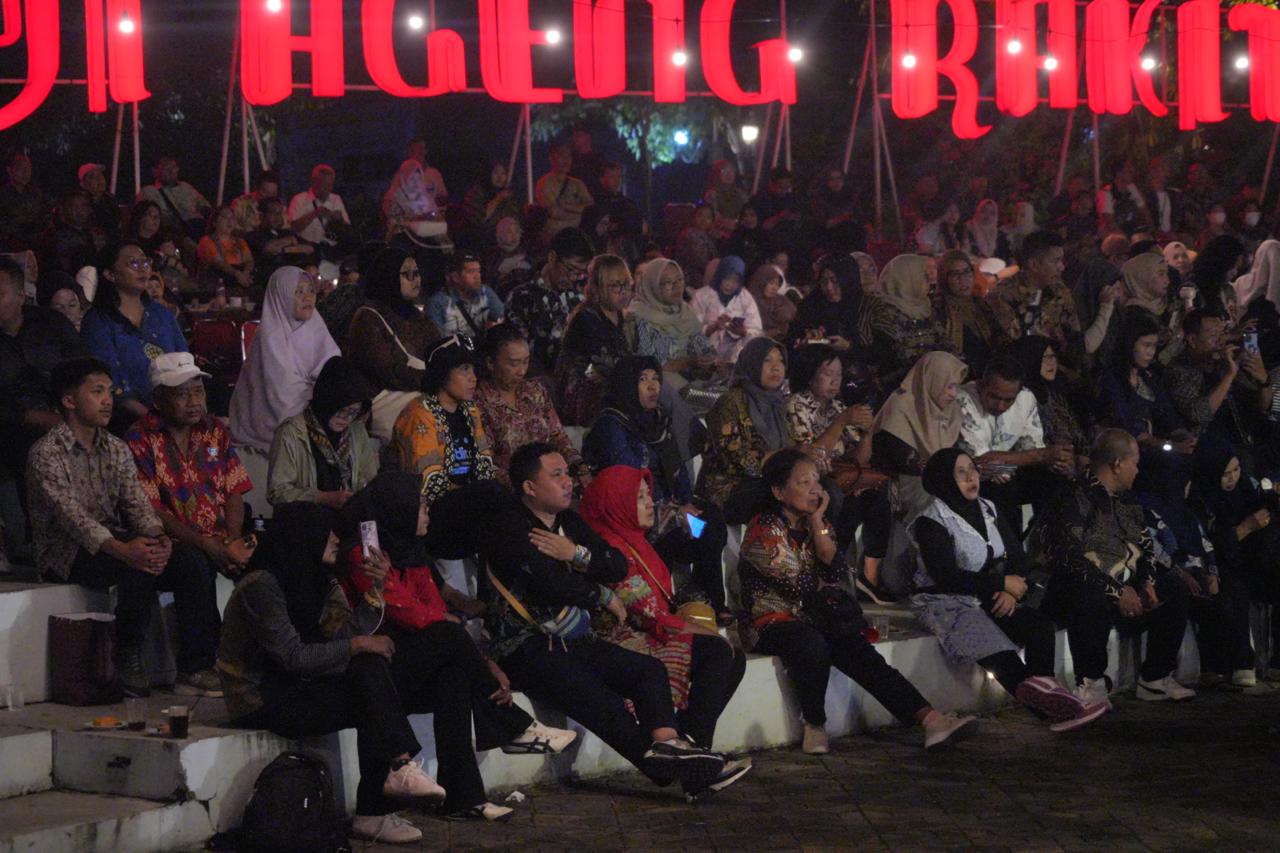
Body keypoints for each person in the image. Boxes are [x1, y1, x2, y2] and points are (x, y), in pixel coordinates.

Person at [478, 442, 744, 801]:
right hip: (525, 645)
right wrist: (601, 595)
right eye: (556, 475)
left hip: (573, 636)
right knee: (602, 702)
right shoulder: (508, 527)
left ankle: (671, 749)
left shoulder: (568, 522)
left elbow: (614, 564)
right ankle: (682, 769)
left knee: (648, 671)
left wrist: (575, 553)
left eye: (567, 473)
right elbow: (548, 582)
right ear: (529, 487)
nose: (568, 481)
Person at [338, 472, 576, 820]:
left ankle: (464, 799)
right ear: (398, 509)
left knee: (454, 677)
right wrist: (449, 627)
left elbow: (431, 609)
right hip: (372, 666)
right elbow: (404, 612)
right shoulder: (364, 554)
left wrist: (480, 660)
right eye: (420, 505)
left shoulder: (411, 550)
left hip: (409, 657)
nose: (427, 512)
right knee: (448, 635)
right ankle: (512, 727)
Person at [217, 503, 447, 844]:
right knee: (369, 683)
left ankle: (393, 779)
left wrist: (376, 591)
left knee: (369, 674)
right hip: (260, 698)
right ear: (305, 535)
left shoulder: (319, 579)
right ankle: (383, 795)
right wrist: (358, 645)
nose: (337, 540)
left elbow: (342, 636)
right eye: (329, 533)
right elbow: (293, 656)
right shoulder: (261, 585)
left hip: (298, 686)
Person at [739, 448, 977, 753]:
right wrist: (822, 574)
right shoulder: (763, 529)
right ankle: (814, 725)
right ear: (778, 491)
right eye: (804, 482)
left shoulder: (817, 523)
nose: (815, 489)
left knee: (855, 647)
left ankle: (931, 720)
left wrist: (817, 521)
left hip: (813, 616)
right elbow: (797, 584)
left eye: (816, 481)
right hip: (769, 622)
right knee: (812, 643)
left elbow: (835, 570)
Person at [28, 358, 221, 698]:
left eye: (109, 392)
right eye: (97, 392)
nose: (108, 401)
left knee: (190, 560)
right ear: (69, 400)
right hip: (66, 552)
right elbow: (74, 520)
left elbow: (137, 503)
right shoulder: (47, 453)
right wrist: (126, 549)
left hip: (115, 540)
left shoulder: (115, 447)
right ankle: (127, 655)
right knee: (136, 561)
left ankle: (196, 667)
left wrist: (159, 537)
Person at [911, 448, 1107, 730]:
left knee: (1038, 627)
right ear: (944, 479)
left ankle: (1054, 703)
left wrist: (1009, 589)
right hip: (947, 601)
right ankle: (1056, 710)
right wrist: (1001, 583)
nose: (971, 477)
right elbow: (946, 576)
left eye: (973, 469)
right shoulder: (931, 521)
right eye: (961, 472)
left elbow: (1016, 557)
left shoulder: (988, 509)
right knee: (999, 651)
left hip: (987, 593)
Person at [582, 466, 748, 750]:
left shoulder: (636, 539)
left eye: (648, 494)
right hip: (622, 639)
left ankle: (691, 745)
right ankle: (697, 751)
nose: (650, 503)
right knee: (718, 651)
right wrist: (707, 633)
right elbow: (648, 615)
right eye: (639, 498)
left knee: (733, 657)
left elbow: (700, 534)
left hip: (650, 627)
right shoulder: (610, 550)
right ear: (616, 503)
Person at [124, 352, 256, 697]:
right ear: (158, 399)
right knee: (195, 563)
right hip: (174, 542)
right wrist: (208, 545)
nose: (194, 401)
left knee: (277, 552)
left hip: (219, 535)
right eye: (182, 394)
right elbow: (152, 512)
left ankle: (268, 658)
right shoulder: (139, 439)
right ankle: (195, 668)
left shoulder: (215, 430)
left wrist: (232, 540)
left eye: (198, 391)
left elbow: (235, 488)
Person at [1032, 430, 1195, 705]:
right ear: (1117, 464)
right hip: (1078, 588)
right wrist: (1117, 590)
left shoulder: (1127, 501)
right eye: (1135, 462)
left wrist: (1146, 581)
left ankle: (1155, 678)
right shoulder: (1073, 496)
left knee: (1173, 588)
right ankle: (1091, 681)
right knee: (1089, 594)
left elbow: (1144, 546)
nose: (1138, 470)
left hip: (1124, 584)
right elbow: (1067, 555)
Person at [584, 356, 730, 618]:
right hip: (633, 513)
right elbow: (629, 481)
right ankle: (665, 604)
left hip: (670, 511)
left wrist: (686, 502)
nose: (653, 386)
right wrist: (673, 510)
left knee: (709, 520)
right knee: (684, 532)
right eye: (643, 380)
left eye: (656, 379)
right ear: (628, 384)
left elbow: (677, 467)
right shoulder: (611, 425)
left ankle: (706, 599)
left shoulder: (659, 419)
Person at [867, 351, 969, 600]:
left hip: (937, 479)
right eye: (949, 386)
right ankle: (923, 574)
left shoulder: (952, 411)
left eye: (956, 387)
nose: (953, 394)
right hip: (900, 482)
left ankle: (956, 571)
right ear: (932, 380)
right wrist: (941, 472)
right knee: (933, 496)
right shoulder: (902, 404)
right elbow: (899, 458)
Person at [785, 342, 889, 565]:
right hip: (810, 476)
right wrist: (841, 422)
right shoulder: (797, 404)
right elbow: (810, 458)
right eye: (827, 373)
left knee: (876, 497)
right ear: (810, 375)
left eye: (839, 374)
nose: (835, 380)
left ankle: (870, 572)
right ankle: (828, 560)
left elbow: (859, 460)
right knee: (835, 495)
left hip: (840, 475)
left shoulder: (837, 406)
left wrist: (868, 433)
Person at [1190, 439, 1279, 684]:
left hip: (1252, 560)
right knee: (1234, 590)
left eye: (1236, 470)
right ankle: (1240, 663)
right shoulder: (1201, 497)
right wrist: (1245, 528)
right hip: (1219, 565)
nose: (1232, 478)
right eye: (1225, 474)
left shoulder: (1246, 489)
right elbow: (1207, 544)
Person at [956, 354, 1071, 534]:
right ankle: (1011, 546)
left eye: (1009, 400)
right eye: (994, 396)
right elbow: (981, 461)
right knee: (1001, 486)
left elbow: (1030, 449)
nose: (1001, 406)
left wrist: (1057, 460)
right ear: (981, 384)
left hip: (1008, 469)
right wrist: (1042, 455)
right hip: (974, 475)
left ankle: (1044, 538)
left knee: (1058, 478)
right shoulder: (963, 399)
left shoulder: (1026, 398)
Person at [80, 241, 188, 429]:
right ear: (110, 274)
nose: (143, 269)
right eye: (133, 263)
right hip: (125, 421)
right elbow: (109, 383)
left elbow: (185, 364)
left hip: (174, 412)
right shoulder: (98, 321)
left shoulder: (161, 314)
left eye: (145, 262)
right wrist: (156, 421)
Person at [229, 265, 338, 448]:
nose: (308, 297)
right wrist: (324, 397)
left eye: (311, 290)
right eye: (299, 291)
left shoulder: (316, 327)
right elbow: (283, 399)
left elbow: (337, 374)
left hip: (316, 417)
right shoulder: (271, 337)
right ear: (281, 297)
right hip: (273, 430)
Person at [346, 246, 443, 439]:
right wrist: (436, 378)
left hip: (421, 406)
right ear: (388, 276)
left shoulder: (420, 318)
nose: (416, 280)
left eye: (417, 273)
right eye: (408, 274)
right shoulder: (368, 318)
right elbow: (390, 371)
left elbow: (439, 355)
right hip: (386, 415)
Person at [390, 335, 496, 505]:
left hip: (469, 499)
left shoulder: (470, 410)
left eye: (473, 369)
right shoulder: (419, 414)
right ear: (442, 373)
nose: (473, 378)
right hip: (432, 508)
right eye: (464, 369)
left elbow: (484, 464)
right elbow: (427, 483)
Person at [474, 323, 584, 483]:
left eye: (525, 362)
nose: (521, 371)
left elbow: (558, 435)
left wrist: (578, 465)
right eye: (514, 364)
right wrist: (529, 487)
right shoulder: (479, 404)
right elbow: (486, 464)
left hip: (554, 480)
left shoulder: (535, 391)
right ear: (490, 363)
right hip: (514, 489)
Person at [695, 337, 790, 521]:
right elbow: (736, 460)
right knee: (780, 493)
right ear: (752, 364)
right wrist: (782, 457)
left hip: (768, 481)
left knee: (819, 490)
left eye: (781, 361)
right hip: (727, 489)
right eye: (767, 360)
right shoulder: (730, 402)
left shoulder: (780, 405)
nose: (776, 367)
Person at [267, 356, 379, 509]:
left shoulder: (356, 432)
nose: (346, 418)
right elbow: (277, 492)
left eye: (353, 412)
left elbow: (370, 480)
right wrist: (321, 498)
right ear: (327, 402)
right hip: (307, 520)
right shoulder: (292, 433)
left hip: (349, 517)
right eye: (341, 409)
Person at [556, 254, 636, 426]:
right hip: (585, 390)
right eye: (615, 285)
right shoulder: (586, 319)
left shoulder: (626, 318)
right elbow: (594, 365)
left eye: (627, 284)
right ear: (597, 289)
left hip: (618, 383)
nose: (623, 291)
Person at [987, 230, 1086, 367]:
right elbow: (1013, 348)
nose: (1062, 267)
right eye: (1055, 261)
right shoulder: (1003, 295)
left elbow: (1074, 334)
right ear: (1033, 265)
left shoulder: (1058, 289)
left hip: (1061, 368)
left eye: (1061, 260)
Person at [504, 227, 592, 373]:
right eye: (570, 269)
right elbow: (516, 352)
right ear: (552, 257)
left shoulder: (579, 299)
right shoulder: (522, 297)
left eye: (580, 273)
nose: (573, 278)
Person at [1007, 336, 1090, 472]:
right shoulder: (1020, 399)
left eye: (1053, 356)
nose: (1051, 362)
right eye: (1045, 357)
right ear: (1031, 358)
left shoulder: (1053, 394)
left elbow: (1076, 432)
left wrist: (1082, 457)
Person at [629, 258, 717, 381]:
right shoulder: (639, 317)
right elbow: (653, 366)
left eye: (680, 279)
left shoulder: (685, 311)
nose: (677, 286)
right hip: (660, 385)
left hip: (694, 378)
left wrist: (709, 358)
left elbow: (702, 344)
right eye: (668, 282)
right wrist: (690, 361)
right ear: (653, 285)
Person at [867, 253, 949, 384]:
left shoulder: (926, 308)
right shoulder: (885, 315)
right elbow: (887, 360)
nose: (929, 281)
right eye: (924, 277)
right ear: (906, 280)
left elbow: (944, 344)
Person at [937, 249, 1001, 375]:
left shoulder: (981, 305)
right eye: (955, 274)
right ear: (944, 278)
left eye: (967, 272)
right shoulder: (940, 311)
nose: (963, 279)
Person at [789, 254, 867, 353]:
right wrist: (807, 340)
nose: (829, 287)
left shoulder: (867, 306)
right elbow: (791, 343)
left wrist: (849, 346)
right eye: (823, 281)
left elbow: (879, 353)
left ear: (848, 280)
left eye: (835, 280)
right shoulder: (811, 305)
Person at [690, 255, 762, 363]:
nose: (730, 284)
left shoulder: (746, 298)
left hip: (734, 356)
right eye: (727, 278)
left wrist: (742, 331)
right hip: (703, 354)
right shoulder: (702, 295)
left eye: (735, 280)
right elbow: (690, 329)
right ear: (720, 274)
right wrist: (713, 327)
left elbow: (757, 330)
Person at [427, 253, 504, 338]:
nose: (477, 276)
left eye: (478, 271)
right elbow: (437, 338)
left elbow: (502, 318)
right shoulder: (438, 303)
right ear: (455, 277)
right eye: (471, 272)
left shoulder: (485, 292)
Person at [582, 162, 645, 263]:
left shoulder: (628, 203)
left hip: (627, 253)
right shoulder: (594, 204)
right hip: (602, 252)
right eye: (612, 176)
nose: (617, 181)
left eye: (619, 176)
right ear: (602, 179)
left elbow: (640, 227)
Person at [245, 197, 315, 287]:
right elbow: (267, 248)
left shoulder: (286, 233)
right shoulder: (254, 235)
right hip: (268, 282)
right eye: (274, 213)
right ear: (262, 215)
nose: (278, 216)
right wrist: (289, 241)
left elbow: (309, 248)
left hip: (293, 279)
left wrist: (284, 250)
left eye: (280, 213)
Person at [136, 156, 211, 239]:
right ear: (155, 171)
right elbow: (154, 220)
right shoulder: (149, 191)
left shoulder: (186, 187)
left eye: (174, 167)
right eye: (166, 168)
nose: (171, 171)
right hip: (174, 235)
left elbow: (204, 204)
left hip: (200, 229)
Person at [287, 164, 350, 260]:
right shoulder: (299, 199)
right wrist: (314, 213)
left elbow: (347, 229)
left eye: (330, 186)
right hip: (306, 252)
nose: (327, 190)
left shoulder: (336, 199)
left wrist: (339, 220)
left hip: (330, 252)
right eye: (323, 186)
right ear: (313, 182)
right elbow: (292, 228)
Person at [535, 144, 594, 241]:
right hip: (554, 237)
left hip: (577, 238)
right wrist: (579, 213)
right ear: (551, 158)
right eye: (562, 155)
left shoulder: (578, 184)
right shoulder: (544, 183)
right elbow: (554, 212)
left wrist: (568, 207)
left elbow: (590, 208)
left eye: (569, 156)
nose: (566, 160)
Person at [382, 158, 446, 242]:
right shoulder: (392, 196)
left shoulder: (423, 196)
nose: (416, 182)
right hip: (401, 239)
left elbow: (435, 215)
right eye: (412, 178)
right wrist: (417, 219)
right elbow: (395, 221)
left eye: (418, 178)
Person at [196, 205, 254, 293]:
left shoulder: (240, 241)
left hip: (241, 282)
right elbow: (219, 263)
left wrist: (246, 273)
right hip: (217, 285)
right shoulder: (206, 241)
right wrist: (237, 274)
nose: (230, 221)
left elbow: (249, 260)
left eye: (232, 217)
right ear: (214, 222)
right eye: (225, 217)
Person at [460, 162, 521, 245]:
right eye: (496, 173)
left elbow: (515, 220)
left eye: (503, 173)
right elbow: (478, 219)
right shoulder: (476, 193)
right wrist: (497, 199)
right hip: (479, 241)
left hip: (503, 242)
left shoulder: (509, 196)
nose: (499, 177)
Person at [0, 152, 49, 250]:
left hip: (35, 246)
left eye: (28, 169)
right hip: (9, 248)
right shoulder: (3, 195)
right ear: (9, 170)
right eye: (21, 168)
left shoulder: (36, 194)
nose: (25, 173)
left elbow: (45, 217)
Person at [43, 190, 98, 277]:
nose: (79, 210)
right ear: (64, 209)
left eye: (84, 205)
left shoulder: (90, 234)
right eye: (73, 206)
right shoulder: (58, 236)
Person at [748, 263, 796, 343]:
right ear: (761, 282)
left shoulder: (782, 301)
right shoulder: (748, 301)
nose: (775, 288)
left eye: (777, 284)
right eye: (771, 283)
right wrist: (772, 333)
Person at [674, 206, 719, 288]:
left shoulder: (708, 236)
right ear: (693, 217)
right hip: (692, 281)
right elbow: (702, 262)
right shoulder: (690, 235)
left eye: (708, 217)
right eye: (700, 215)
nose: (703, 220)